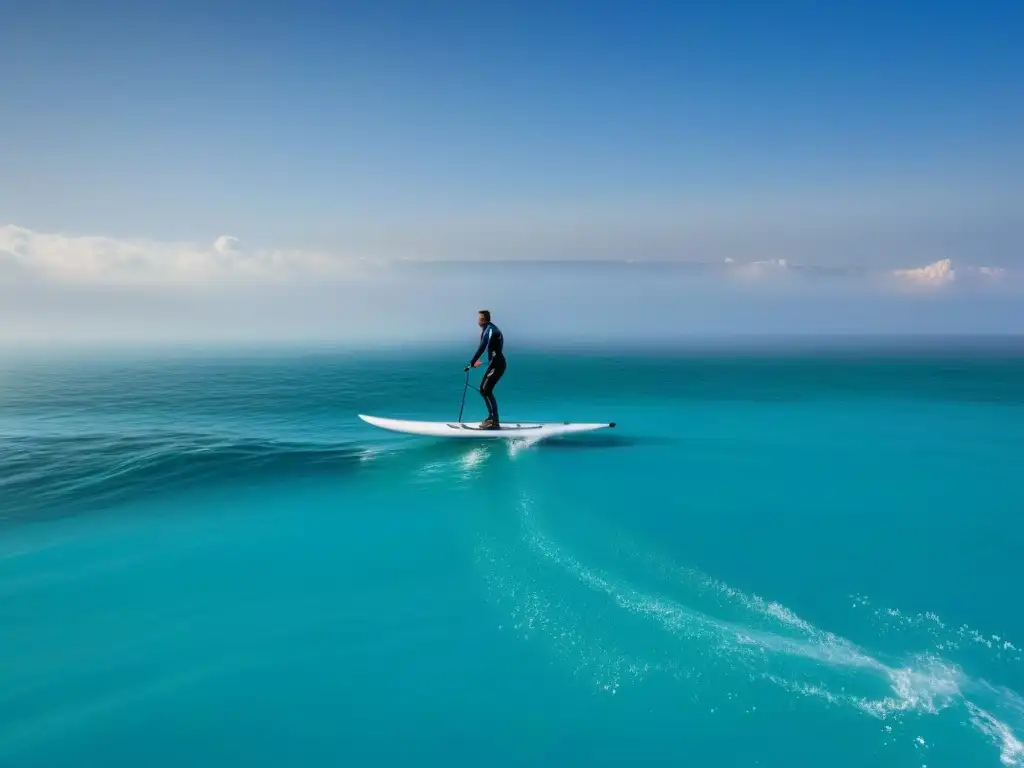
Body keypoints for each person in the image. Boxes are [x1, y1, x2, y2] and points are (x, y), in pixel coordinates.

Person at [464, 309, 505, 428]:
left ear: (484, 320)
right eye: (478, 318)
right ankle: (491, 418)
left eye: (480, 318)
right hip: (495, 364)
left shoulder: (490, 330)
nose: (478, 321)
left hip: (497, 365)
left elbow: (483, 347)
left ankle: (495, 421)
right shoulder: (489, 329)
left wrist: (471, 363)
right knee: (483, 389)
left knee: (486, 390)